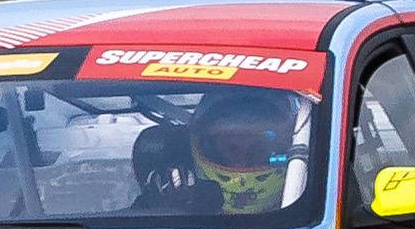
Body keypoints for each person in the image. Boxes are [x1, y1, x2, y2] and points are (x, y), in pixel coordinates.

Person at [134, 87, 314, 217]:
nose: (241, 164)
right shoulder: (170, 217)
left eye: (258, 149)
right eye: (231, 149)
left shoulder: (319, 214)